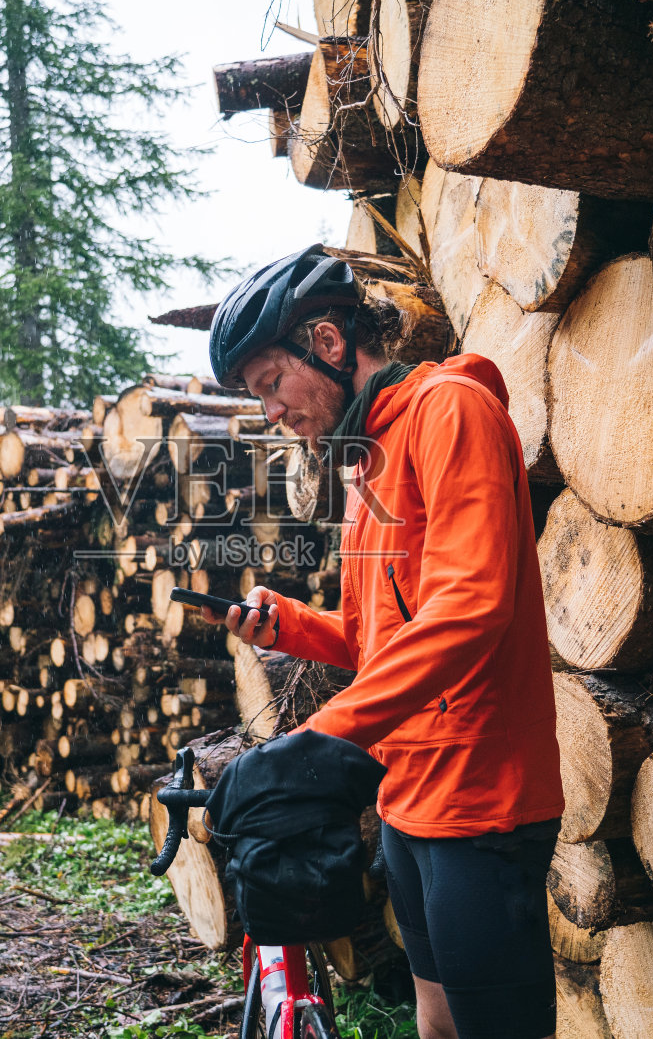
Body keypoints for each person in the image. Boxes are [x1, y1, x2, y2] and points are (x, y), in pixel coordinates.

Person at [200, 245, 564, 1039]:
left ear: (327, 343)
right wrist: (290, 625)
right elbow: (377, 643)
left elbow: (470, 609)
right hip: (408, 803)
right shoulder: (368, 467)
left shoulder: (451, 413)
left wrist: (322, 736)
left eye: (270, 385)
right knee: (435, 1022)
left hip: (482, 805)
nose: (272, 412)